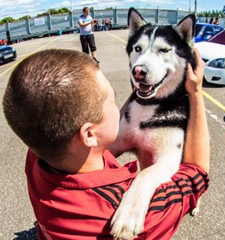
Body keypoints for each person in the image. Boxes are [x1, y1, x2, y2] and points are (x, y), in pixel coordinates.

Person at [2, 48, 210, 239]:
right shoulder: (143, 215)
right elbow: (197, 173)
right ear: (89, 134)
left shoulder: (39, 152)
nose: (116, 106)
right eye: (111, 101)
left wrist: (141, 91)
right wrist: (196, 92)